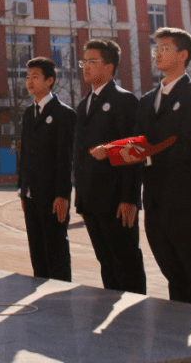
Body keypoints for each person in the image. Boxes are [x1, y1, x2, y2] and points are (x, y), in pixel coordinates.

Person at [133, 28, 191, 307]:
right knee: (174, 275)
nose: (158, 53)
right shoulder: (147, 100)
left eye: (165, 48)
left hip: (190, 203)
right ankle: (180, 336)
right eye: (155, 48)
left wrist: (147, 153)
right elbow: (139, 143)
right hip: (156, 203)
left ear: (183, 55)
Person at [73, 39, 146, 294]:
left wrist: (130, 199)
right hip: (92, 201)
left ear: (110, 67)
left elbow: (133, 152)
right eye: (85, 62)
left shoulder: (124, 101)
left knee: (126, 262)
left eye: (93, 62)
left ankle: (134, 314)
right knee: (106, 262)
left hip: (116, 202)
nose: (86, 67)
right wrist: (80, 199)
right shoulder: (84, 105)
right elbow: (80, 156)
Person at [17, 57, 75, 282]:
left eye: (36, 77)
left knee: (56, 251)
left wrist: (62, 195)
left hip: (52, 197)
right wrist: (23, 190)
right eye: (28, 76)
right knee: (37, 252)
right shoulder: (28, 114)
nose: (29, 81)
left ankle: (61, 298)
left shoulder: (63, 114)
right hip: (31, 196)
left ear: (49, 80)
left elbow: (65, 158)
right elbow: (25, 156)